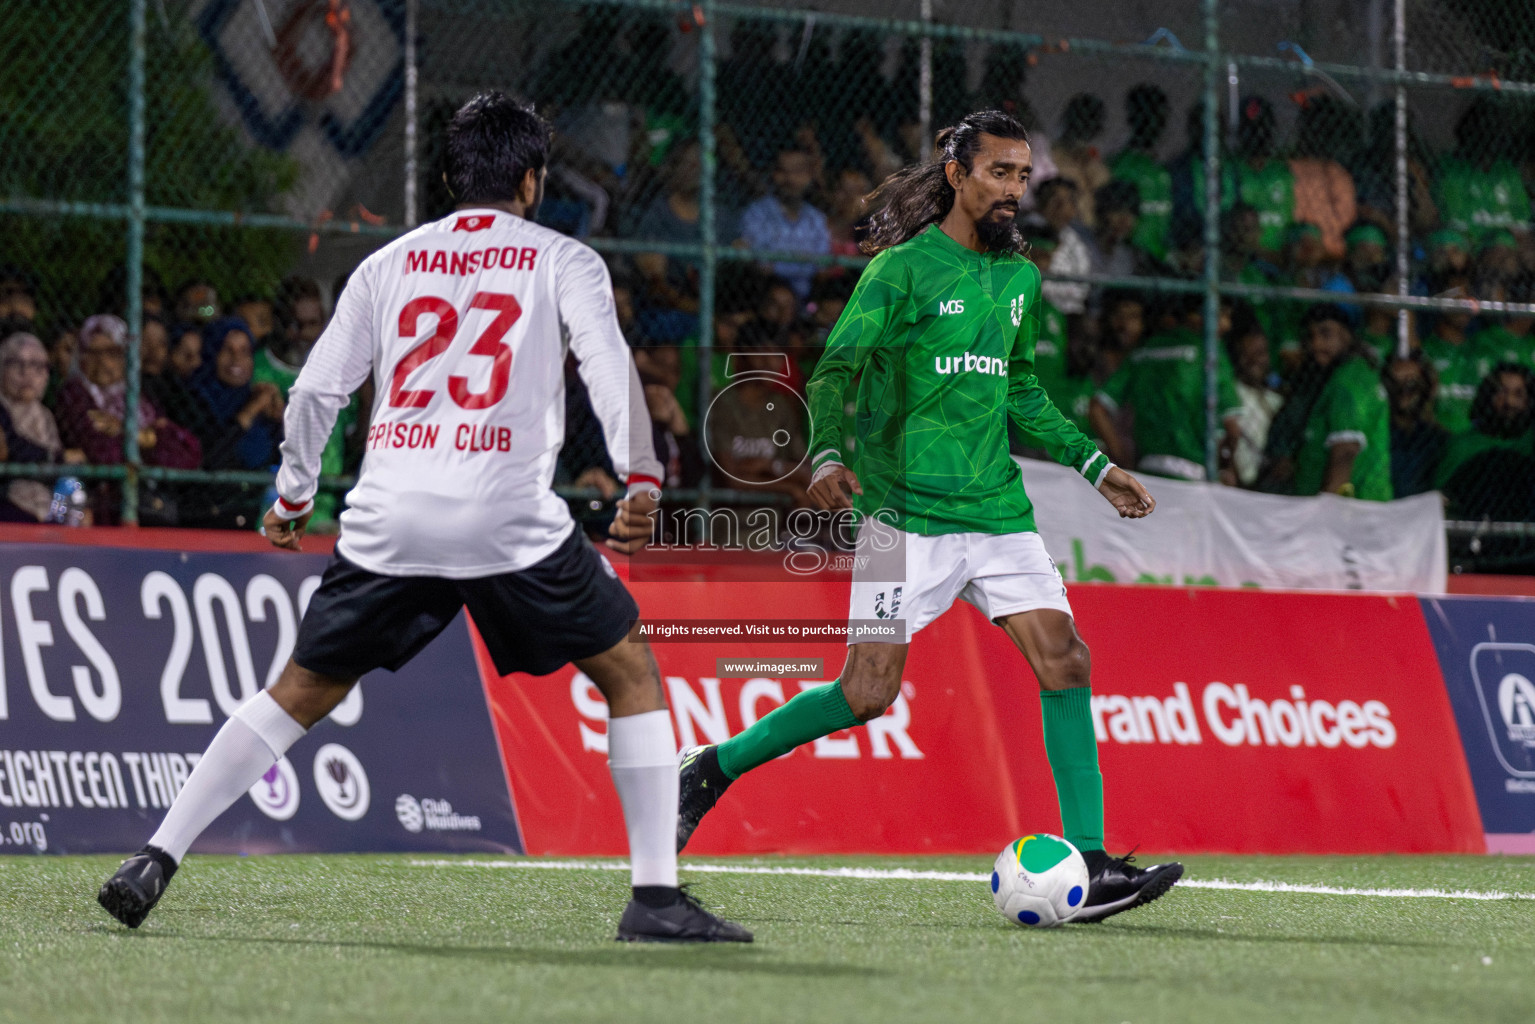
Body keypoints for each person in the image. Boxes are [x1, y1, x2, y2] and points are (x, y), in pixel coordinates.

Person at [97, 92, 749, 944]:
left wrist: (293, 494)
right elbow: (605, 363)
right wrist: (641, 477)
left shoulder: (385, 264)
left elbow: (315, 390)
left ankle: (155, 856)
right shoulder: (564, 259)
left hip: (388, 515)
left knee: (299, 690)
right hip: (505, 516)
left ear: (448, 177)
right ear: (532, 179)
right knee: (629, 671)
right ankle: (654, 899)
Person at [673, 110, 1182, 922]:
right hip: (897, 519)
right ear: (957, 174)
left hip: (997, 513)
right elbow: (836, 368)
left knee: (1067, 660)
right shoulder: (901, 270)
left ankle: (1089, 863)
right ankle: (711, 769)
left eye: (1023, 175)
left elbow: (1020, 389)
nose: (1015, 189)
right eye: (999, 173)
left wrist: (1095, 465)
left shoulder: (1017, 281)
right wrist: (830, 457)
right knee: (866, 691)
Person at [55, 314, 202, 522]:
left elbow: (189, 453)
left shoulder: (139, 397)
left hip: (154, 500)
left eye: (112, 353)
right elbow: (104, 454)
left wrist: (129, 433)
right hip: (103, 505)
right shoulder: (74, 395)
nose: (103, 361)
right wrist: (152, 439)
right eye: (92, 353)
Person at [1091, 293, 1243, 485]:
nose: (1226, 325)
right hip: (1193, 471)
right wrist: (1224, 465)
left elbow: (1097, 408)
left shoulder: (1144, 351)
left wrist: (1123, 460)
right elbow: (1233, 429)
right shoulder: (1210, 352)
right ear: (1195, 316)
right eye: (1221, 316)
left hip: (1148, 469)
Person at [1290, 304, 1392, 501]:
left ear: (1347, 336)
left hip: (1350, 511)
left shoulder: (1348, 381)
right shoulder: (1354, 373)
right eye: (1310, 337)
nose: (1316, 345)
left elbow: (1345, 451)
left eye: (1325, 334)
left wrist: (1329, 509)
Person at [1435, 364, 1535, 519]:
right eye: (1501, 392)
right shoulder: (1462, 445)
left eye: (1518, 394)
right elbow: (1440, 501)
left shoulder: (1530, 444)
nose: (1509, 401)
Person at [0, 331, 79, 521]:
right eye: (16, 364)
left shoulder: (45, 415)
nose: (26, 373)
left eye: (36, 366)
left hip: (47, 504)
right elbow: (11, 447)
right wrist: (54, 456)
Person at [739, 147, 832, 302]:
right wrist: (803, 263)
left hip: (810, 298)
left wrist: (778, 264)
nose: (790, 179)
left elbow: (821, 269)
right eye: (782, 171)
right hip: (766, 296)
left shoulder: (817, 219)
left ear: (809, 176)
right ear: (773, 174)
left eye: (798, 172)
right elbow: (761, 267)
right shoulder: (757, 213)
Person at [1107, 84, 1173, 262]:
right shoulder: (1121, 166)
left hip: (1162, 258)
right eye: (1147, 116)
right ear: (1132, 119)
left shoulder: (1163, 169)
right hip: (1133, 260)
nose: (1155, 124)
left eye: (1160, 117)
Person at [1227, 311, 1283, 488]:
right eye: (1247, 354)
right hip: (1237, 482)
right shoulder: (1231, 393)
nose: (1256, 361)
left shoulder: (1275, 400)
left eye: (1261, 353)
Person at [1384, 351, 1447, 499]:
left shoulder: (1440, 440)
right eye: (1394, 383)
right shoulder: (1376, 435)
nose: (1403, 390)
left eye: (1411, 383)